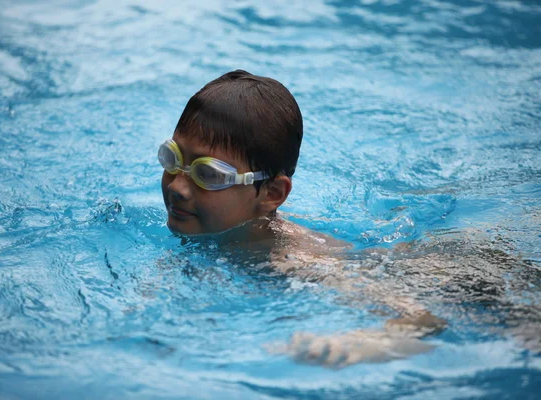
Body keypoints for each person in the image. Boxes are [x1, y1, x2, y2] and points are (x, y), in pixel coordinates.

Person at [158, 70, 445, 367]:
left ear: (271, 193)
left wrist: (357, 346)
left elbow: (425, 318)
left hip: (442, 278)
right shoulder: (213, 228)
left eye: (209, 175)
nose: (178, 187)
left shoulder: (294, 260)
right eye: (173, 159)